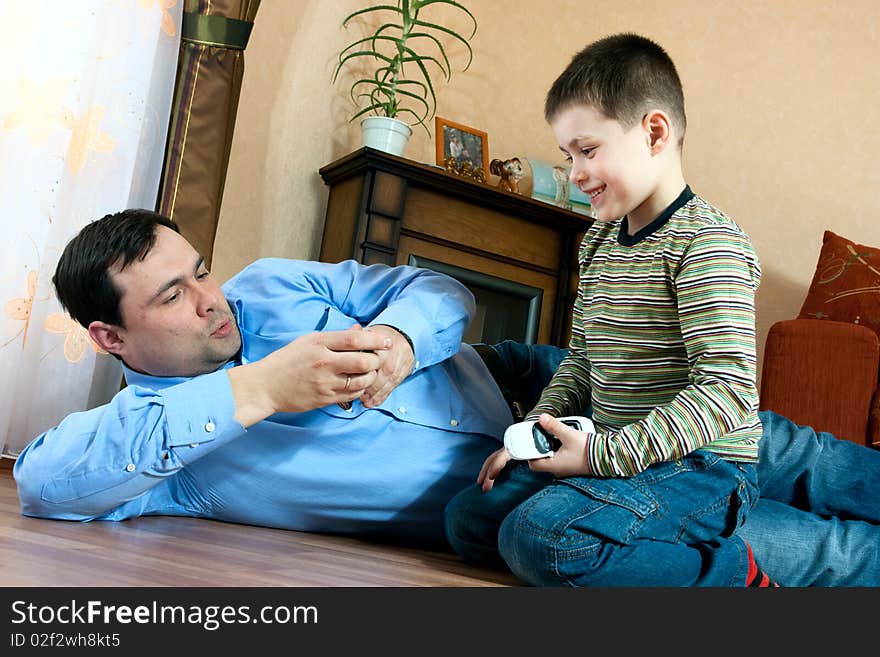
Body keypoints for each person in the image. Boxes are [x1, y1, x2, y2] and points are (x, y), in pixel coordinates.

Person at [12, 209, 879, 586]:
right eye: (172, 297)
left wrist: (398, 341)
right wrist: (259, 388)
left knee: (787, 450)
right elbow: (47, 483)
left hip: (524, 380)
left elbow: (440, 291)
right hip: (535, 489)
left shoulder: (269, 284)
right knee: (807, 550)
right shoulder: (163, 455)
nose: (212, 299)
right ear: (110, 339)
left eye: (198, 269)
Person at [444, 32, 880, 587]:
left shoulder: (708, 243)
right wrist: (533, 431)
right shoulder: (597, 243)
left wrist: (602, 457)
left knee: (543, 540)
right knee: (468, 523)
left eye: (588, 150)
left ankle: (735, 574)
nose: (575, 172)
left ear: (654, 132)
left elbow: (723, 395)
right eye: (567, 155)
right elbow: (581, 360)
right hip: (619, 453)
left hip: (701, 468)